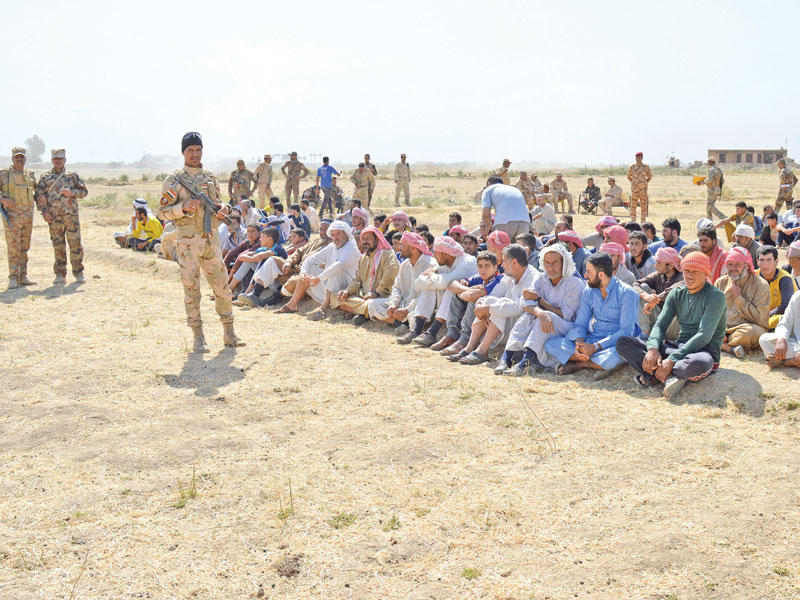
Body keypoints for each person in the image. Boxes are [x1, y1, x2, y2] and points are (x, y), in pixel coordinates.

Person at [158, 132, 242, 350]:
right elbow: (162, 212)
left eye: (198, 150)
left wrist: (224, 209)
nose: (195, 154)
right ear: (183, 152)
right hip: (188, 244)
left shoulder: (209, 178)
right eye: (190, 150)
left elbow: (218, 204)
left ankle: (229, 333)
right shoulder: (174, 180)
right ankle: (198, 336)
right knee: (192, 289)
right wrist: (183, 208)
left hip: (211, 242)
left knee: (222, 287)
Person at [616, 251, 727, 399]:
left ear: (706, 273)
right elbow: (660, 325)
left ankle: (654, 374)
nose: (689, 275)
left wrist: (672, 359)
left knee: (699, 363)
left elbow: (704, 335)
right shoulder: (677, 293)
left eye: (695, 271)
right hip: (677, 347)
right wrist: (653, 349)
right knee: (623, 342)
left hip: (703, 351)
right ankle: (666, 375)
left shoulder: (716, 296)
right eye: (686, 271)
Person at [545, 252, 639, 378]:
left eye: (589, 272)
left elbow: (626, 332)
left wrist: (596, 347)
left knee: (615, 356)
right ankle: (594, 362)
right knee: (550, 344)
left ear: (601, 274)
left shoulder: (627, 293)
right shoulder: (589, 291)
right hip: (594, 339)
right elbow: (581, 324)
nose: (585, 275)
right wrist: (579, 345)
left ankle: (579, 364)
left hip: (616, 344)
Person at [501, 243, 586, 375]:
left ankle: (526, 362)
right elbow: (526, 302)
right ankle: (505, 359)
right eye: (547, 263)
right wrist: (540, 313)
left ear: (564, 263)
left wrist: (540, 301)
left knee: (547, 316)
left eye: (555, 263)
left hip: (569, 327)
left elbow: (565, 315)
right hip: (546, 322)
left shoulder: (574, 283)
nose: (550, 267)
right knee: (527, 317)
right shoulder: (541, 278)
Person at [454, 244, 536, 365]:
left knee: (499, 306)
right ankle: (470, 347)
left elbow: (520, 307)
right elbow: (493, 294)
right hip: (501, 323)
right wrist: (482, 307)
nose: (502, 265)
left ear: (514, 262)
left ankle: (482, 351)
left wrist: (490, 309)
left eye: (504, 261)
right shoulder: (508, 276)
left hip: (521, 325)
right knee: (490, 302)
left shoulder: (533, 278)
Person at [400, 236, 477, 344]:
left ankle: (432, 332)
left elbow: (447, 282)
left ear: (446, 254)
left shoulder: (467, 263)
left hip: (468, 303)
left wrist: (433, 276)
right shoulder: (445, 263)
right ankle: (416, 330)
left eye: (436, 253)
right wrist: (435, 279)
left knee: (451, 287)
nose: (434, 256)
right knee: (430, 287)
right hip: (451, 303)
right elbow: (419, 282)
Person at [276, 220, 360, 318]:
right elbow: (310, 259)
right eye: (332, 235)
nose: (335, 238)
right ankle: (292, 304)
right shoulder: (331, 247)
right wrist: (303, 273)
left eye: (338, 234)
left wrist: (318, 278)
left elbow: (339, 266)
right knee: (309, 270)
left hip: (345, 290)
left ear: (346, 234)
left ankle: (325, 307)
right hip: (329, 288)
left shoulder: (352, 249)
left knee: (335, 271)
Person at [241, 221, 331, 307]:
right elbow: (298, 253)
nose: (322, 232)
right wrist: (288, 262)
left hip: (309, 278)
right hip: (295, 270)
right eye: (321, 229)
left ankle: (269, 301)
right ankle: (254, 294)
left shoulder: (332, 246)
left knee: (295, 280)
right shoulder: (315, 242)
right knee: (273, 260)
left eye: (325, 229)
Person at [35, 148, 88, 285]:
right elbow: (39, 197)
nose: (58, 161)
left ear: (65, 160)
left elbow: (84, 192)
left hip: (71, 217)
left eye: (60, 159)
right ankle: (60, 274)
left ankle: (78, 273)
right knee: (58, 246)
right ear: (52, 160)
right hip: (54, 218)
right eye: (55, 159)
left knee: (75, 245)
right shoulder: (45, 178)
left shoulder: (72, 176)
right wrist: (44, 211)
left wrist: (72, 192)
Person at [370, 231, 437, 330]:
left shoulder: (430, 264)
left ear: (413, 249)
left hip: (419, 305)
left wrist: (407, 310)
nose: (399, 248)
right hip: (403, 303)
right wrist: (394, 304)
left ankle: (407, 324)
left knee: (416, 314)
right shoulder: (404, 264)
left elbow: (426, 295)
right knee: (373, 304)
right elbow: (397, 287)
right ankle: (399, 323)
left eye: (403, 245)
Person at [331, 227, 399, 323]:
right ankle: (365, 312)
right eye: (363, 239)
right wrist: (347, 291)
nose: (365, 241)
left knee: (371, 303)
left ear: (376, 239)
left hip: (382, 295)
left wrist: (376, 292)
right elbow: (357, 280)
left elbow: (390, 274)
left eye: (369, 238)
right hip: (364, 296)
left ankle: (361, 312)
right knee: (335, 295)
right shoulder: (363, 258)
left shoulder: (387, 254)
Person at [714, 246, 770, 358]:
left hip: (744, 330)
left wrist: (738, 297)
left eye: (737, 264)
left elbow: (761, 319)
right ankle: (727, 346)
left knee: (755, 333)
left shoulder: (761, 285)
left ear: (747, 266)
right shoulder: (721, 282)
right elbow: (712, 311)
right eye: (730, 264)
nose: (733, 268)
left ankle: (719, 343)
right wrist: (720, 330)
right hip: (723, 329)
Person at [0, 147, 37, 288]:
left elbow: (38, 193)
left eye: (22, 157)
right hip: (11, 217)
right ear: (12, 158)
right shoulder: (4, 175)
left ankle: (23, 276)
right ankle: (13, 277)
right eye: (17, 157)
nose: (19, 159)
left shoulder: (30, 176)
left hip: (27, 217)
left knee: (24, 247)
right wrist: (3, 200)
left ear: (25, 159)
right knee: (13, 247)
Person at [633, 246, 684, 338]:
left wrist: (655, 299)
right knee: (643, 288)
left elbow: (672, 291)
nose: (655, 266)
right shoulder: (658, 275)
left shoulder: (682, 277)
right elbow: (636, 284)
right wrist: (645, 296)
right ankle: (645, 333)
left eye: (659, 263)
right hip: (658, 316)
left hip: (674, 322)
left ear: (671, 266)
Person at [229, 226, 287, 294]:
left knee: (261, 260)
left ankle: (248, 293)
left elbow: (258, 257)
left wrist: (253, 258)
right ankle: (230, 289)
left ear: (270, 239)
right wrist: (252, 258)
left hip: (278, 284)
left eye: (262, 237)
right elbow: (242, 257)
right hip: (267, 280)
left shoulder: (277, 248)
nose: (260, 239)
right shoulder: (264, 248)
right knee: (248, 262)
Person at [756, 245, 797, 330]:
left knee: (777, 320)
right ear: (757, 261)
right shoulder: (753, 276)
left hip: (777, 316)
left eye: (769, 260)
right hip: (758, 315)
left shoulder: (785, 279)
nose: (765, 264)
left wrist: (766, 315)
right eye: (762, 260)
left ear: (776, 261)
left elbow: (786, 306)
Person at [626, 152, 652, 222]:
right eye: (637, 157)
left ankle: (643, 222)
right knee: (633, 206)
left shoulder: (646, 167)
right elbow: (628, 177)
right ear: (635, 158)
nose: (638, 159)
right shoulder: (632, 167)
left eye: (640, 157)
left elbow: (649, 177)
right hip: (634, 190)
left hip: (643, 190)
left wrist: (644, 183)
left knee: (643, 206)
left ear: (642, 158)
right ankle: (633, 221)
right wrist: (634, 183)